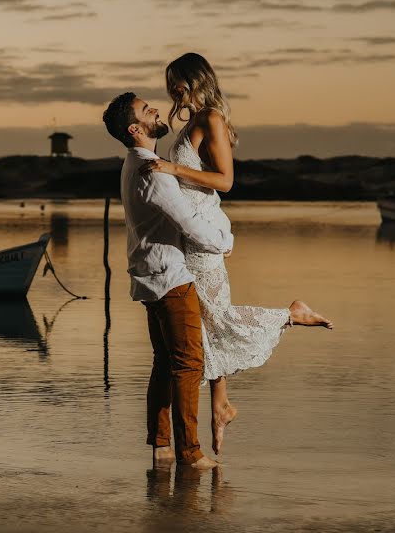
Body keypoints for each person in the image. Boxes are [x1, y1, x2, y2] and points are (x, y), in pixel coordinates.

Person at [140, 52, 334, 455]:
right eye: (169, 82)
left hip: (203, 240)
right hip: (187, 238)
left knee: (216, 318)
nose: (172, 89)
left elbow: (225, 181)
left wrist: (172, 170)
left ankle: (291, 314)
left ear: (196, 80)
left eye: (177, 81)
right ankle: (221, 404)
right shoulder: (191, 121)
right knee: (205, 325)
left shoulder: (211, 118)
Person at [103, 91, 234, 469]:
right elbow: (190, 225)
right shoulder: (153, 173)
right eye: (148, 110)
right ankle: (189, 452)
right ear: (135, 128)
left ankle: (161, 446)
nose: (157, 110)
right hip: (170, 278)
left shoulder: (134, 162)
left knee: (165, 361)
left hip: (149, 275)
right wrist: (225, 241)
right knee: (189, 364)